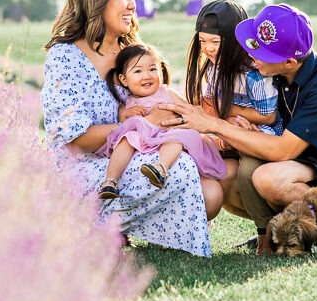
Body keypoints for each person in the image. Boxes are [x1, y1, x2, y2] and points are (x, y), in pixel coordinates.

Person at [40, 0, 221, 257]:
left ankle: (116, 228)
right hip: (82, 165)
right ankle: (88, 224)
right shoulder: (65, 56)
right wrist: (141, 125)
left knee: (211, 194)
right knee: (181, 169)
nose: (132, 5)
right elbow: (75, 139)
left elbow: (163, 99)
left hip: (136, 153)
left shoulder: (131, 52)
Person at [160, 3, 317, 255]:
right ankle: (275, 234)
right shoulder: (275, 73)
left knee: (268, 179)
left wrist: (216, 125)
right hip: (295, 164)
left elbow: (283, 150)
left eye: (261, 53)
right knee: (223, 175)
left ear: (290, 62)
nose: (251, 55)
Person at [184, 0, 282, 218]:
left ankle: (265, 229)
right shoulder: (212, 69)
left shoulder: (253, 74)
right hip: (229, 129)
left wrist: (227, 111)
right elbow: (210, 107)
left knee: (246, 170)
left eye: (215, 42)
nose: (208, 49)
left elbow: (267, 116)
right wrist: (223, 117)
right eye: (203, 41)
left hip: (259, 132)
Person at [96, 42, 226, 199]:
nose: (147, 75)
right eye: (138, 71)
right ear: (124, 80)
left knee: (176, 138)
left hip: (167, 137)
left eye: (152, 69)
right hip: (143, 141)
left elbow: (188, 111)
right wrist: (128, 114)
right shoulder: (127, 102)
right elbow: (122, 123)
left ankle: (160, 168)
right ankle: (110, 180)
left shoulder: (166, 92)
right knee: (126, 139)